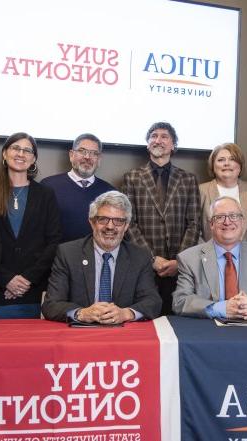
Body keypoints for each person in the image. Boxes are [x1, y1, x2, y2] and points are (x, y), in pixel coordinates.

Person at [42, 191, 162, 323]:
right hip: (79, 335)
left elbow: (153, 302)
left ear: (126, 226)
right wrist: (81, 313)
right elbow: (51, 305)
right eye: (103, 219)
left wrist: (125, 313)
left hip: (124, 335)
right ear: (92, 222)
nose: (110, 226)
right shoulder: (68, 253)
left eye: (118, 221)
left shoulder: (139, 256)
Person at [121, 122, 200, 315]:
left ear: (173, 145)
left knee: (178, 321)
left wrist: (179, 262)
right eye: (153, 136)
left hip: (179, 269)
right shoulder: (132, 178)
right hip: (144, 266)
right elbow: (128, 223)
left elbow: (194, 223)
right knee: (145, 319)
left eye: (164, 136)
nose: (158, 140)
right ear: (148, 144)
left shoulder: (188, 179)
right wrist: (152, 258)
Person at [0, 132, 62, 318]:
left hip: (35, 290)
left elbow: (54, 242)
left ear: (33, 158)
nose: (21, 154)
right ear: (4, 153)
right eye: (15, 148)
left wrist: (28, 279)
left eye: (27, 150)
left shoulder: (46, 195)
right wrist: (7, 280)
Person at [40, 133, 114, 242]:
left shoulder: (109, 193)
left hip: (95, 256)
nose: (87, 157)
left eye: (94, 153)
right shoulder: (48, 186)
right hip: (56, 256)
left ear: (99, 159)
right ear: (71, 155)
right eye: (82, 151)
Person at [199, 142, 247, 242]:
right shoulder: (200, 191)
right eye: (221, 160)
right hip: (210, 255)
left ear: (240, 165)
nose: (226, 163)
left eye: (232, 159)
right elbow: (195, 231)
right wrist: (206, 254)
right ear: (213, 166)